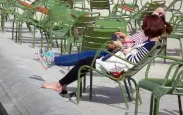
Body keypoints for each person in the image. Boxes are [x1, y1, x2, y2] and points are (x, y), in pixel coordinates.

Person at [41, 13, 173, 92]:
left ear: (149, 29)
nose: (143, 29)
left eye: (145, 27)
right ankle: (61, 82)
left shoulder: (150, 44)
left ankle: (59, 84)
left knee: (85, 61)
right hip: (119, 63)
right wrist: (124, 44)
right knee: (86, 59)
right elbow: (135, 56)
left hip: (117, 67)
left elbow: (132, 60)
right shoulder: (154, 43)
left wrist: (121, 46)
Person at [38, 8, 167, 69]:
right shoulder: (150, 37)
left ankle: (52, 59)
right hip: (117, 55)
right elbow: (132, 45)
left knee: (84, 56)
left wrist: (121, 45)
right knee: (85, 54)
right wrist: (124, 39)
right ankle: (54, 59)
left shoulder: (147, 37)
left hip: (116, 60)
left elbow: (132, 55)